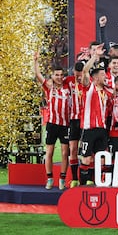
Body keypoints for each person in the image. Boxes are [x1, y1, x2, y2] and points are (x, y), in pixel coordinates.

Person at [34, 52, 70, 190]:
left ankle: (62, 179)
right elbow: (38, 76)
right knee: (49, 152)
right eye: (57, 75)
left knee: (64, 153)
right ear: (52, 76)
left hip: (65, 124)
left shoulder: (68, 88)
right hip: (52, 124)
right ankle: (49, 178)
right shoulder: (49, 87)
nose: (59, 78)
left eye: (61, 75)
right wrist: (36, 61)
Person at [78, 45, 113, 185]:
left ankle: (101, 182)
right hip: (89, 129)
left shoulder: (106, 91)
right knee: (86, 159)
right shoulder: (89, 87)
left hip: (102, 129)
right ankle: (84, 183)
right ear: (96, 77)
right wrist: (95, 56)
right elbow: (85, 71)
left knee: (103, 157)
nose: (105, 76)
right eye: (103, 74)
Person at [65, 61, 85, 188]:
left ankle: (86, 178)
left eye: (80, 75)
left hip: (85, 120)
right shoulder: (69, 81)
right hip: (73, 120)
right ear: (74, 73)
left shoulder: (88, 81)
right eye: (77, 75)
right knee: (72, 149)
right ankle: (74, 178)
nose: (78, 78)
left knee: (85, 150)